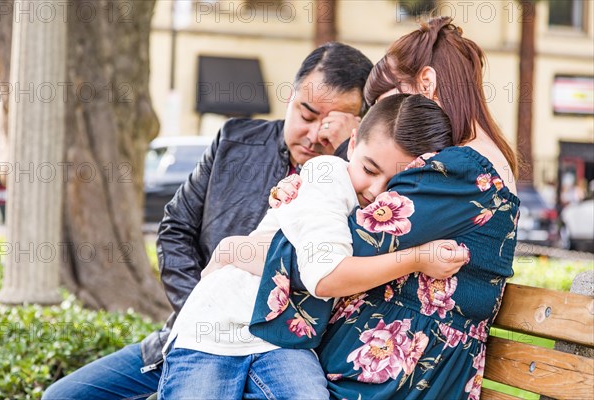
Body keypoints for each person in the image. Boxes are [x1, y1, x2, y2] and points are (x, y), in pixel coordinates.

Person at [43, 42, 374, 400]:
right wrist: (201, 315)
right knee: (63, 396)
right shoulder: (235, 141)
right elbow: (175, 229)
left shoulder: (363, 186)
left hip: (283, 349)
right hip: (194, 336)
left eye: (330, 124)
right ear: (290, 97)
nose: (313, 135)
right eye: (306, 114)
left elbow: (335, 268)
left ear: (357, 127)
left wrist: (346, 153)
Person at [264, 16, 520, 399]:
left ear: (427, 84)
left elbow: (335, 251)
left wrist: (304, 198)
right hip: (380, 372)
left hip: (384, 381)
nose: (390, 129)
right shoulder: (464, 164)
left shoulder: (460, 169)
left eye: (394, 106)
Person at [157, 94, 468, 399]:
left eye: (395, 184)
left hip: (284, 341)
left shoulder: (400, 212)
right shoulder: (327, 175)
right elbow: (326, 276)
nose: (376, 191)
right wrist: (417, 259)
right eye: (370, 170)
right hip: (218, 327)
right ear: (354, 140)